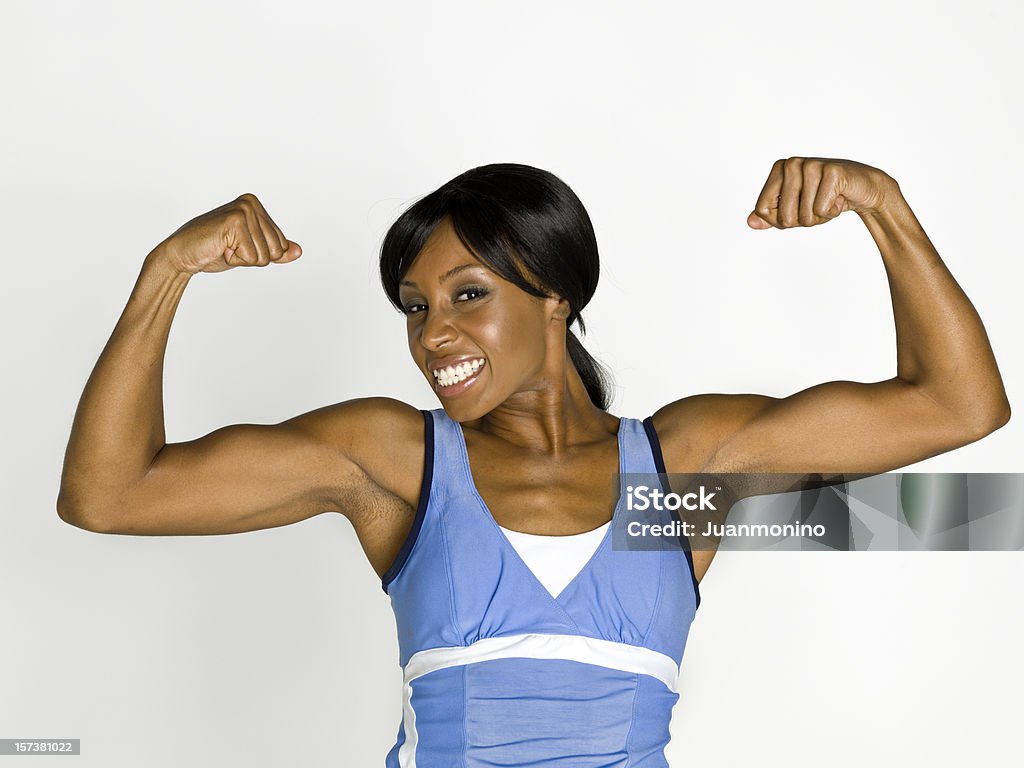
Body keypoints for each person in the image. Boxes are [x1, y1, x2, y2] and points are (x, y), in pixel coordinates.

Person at [57, 159, 1010, 767]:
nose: (435, 335)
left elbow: (959, 408)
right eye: (416, 306)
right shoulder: (397, 459)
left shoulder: (676, 472)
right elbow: (109, 495)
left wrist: (883, 208)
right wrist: (165, 272)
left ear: (555, 297)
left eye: (466, 294)